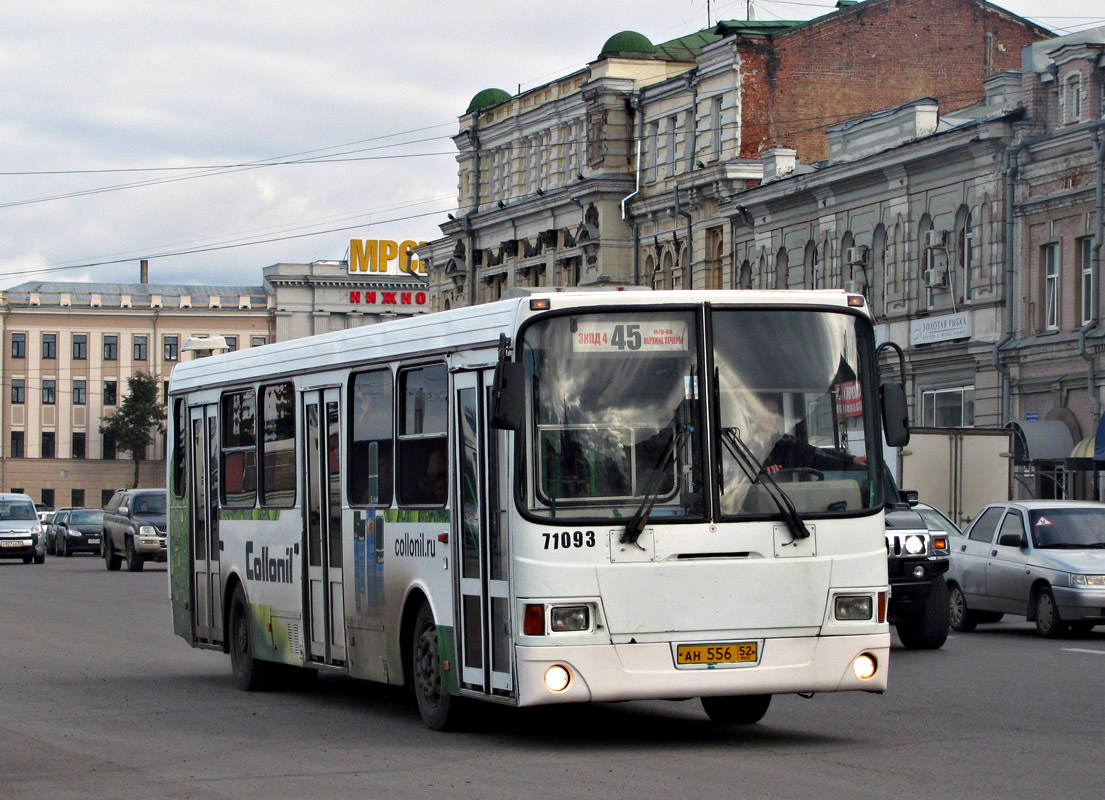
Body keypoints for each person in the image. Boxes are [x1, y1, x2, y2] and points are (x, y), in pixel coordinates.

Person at [758, 394, 867, 476]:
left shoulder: (785, 445)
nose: (771, 417)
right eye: (766, 412)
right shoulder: (743, 445)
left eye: (774, 412)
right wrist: (761, 473)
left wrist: (853, 460)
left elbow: (816, 455)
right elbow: (742, 477)